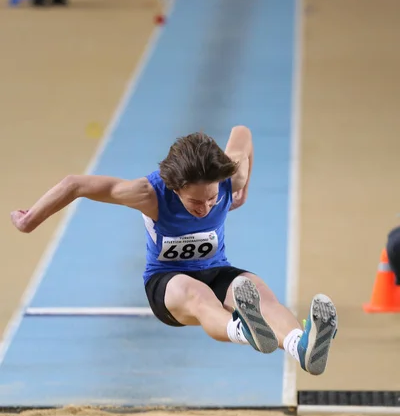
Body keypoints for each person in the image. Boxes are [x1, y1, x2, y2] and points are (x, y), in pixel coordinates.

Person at [10, 126, 337, 375]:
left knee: (255, 292)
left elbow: (242, 133)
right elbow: (75, 184)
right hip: (167, 285)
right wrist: (29, 220)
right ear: (174, 186)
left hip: (216, 269)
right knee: (196, 294)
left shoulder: (229, 178)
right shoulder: (149, 193)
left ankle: (301, 347)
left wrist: (244, 191)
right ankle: (244, 331)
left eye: (211, 199)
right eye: (195, 201)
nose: (206, 207)